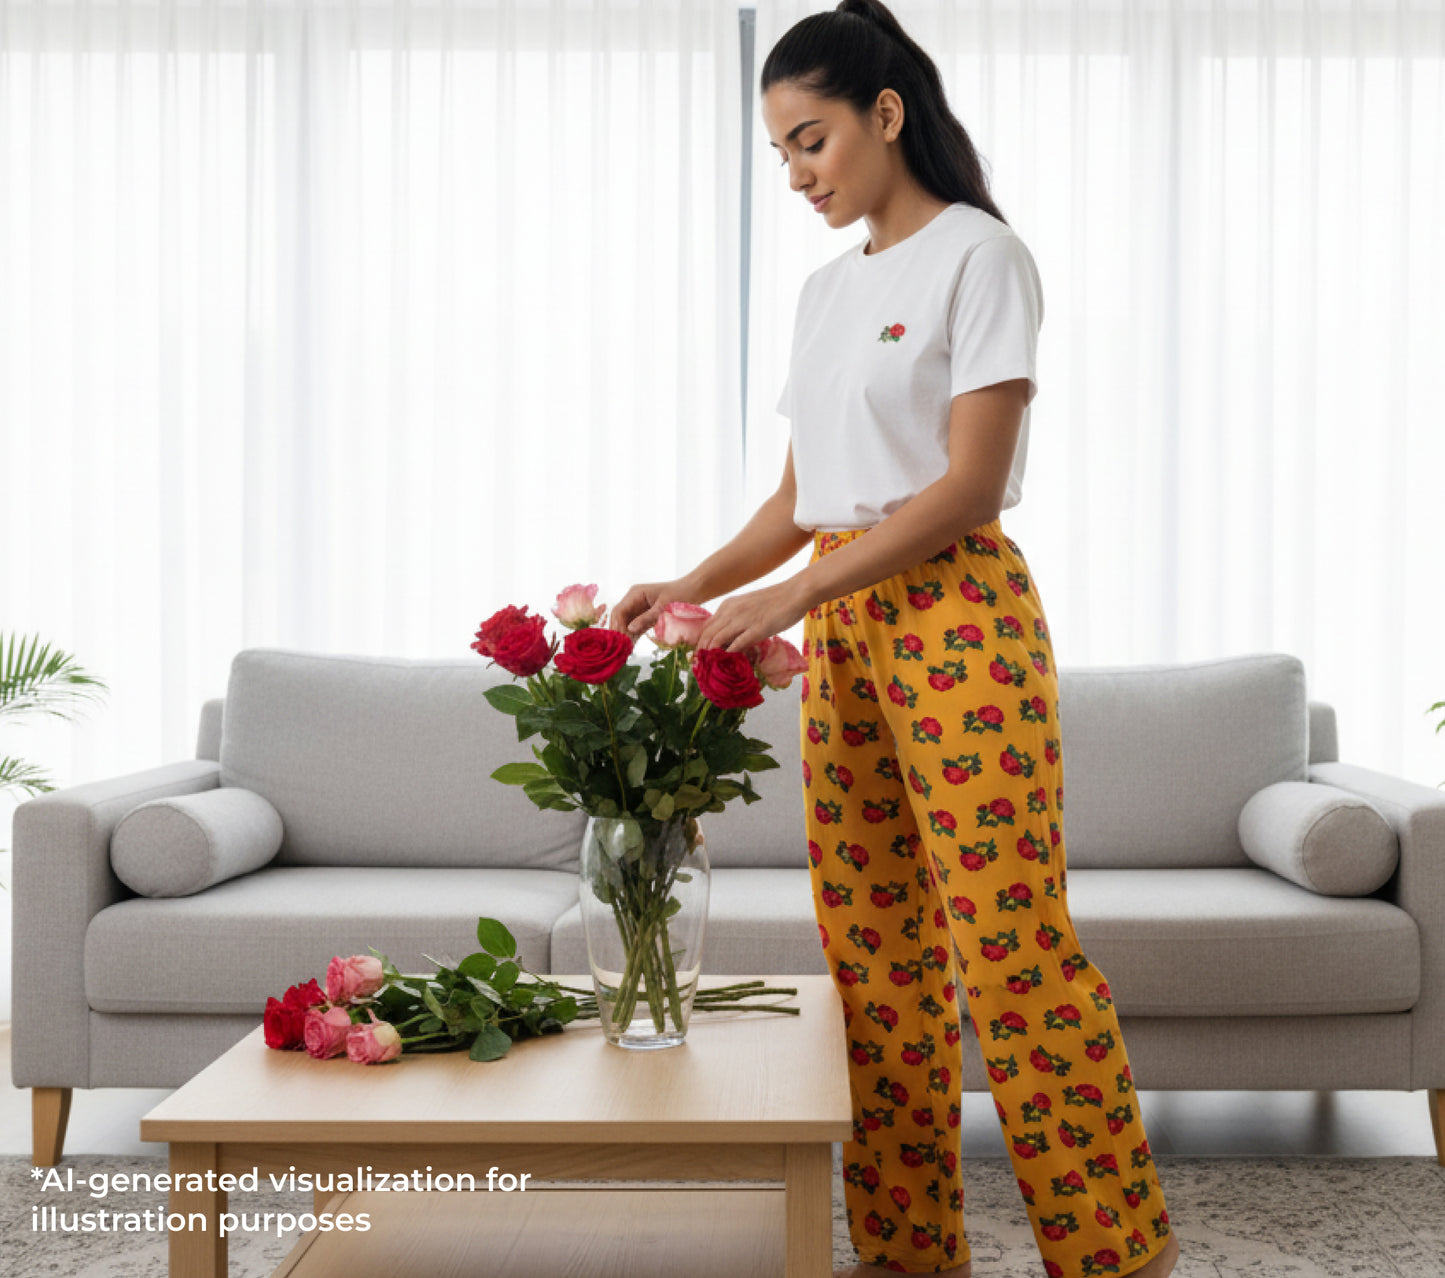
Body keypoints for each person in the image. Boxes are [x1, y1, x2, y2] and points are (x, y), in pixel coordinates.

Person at [612, 3, 1181, 1277]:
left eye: (810, 140)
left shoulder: (982, 257)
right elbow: (800, 498)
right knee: (870, 948)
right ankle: (906, 1245)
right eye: (780, 155)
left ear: (884, 113)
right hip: (840, 609)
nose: (798, 174)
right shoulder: (827, 292)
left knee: (1007, 941)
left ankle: (1111, 1249)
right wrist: (694, 581)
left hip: (952, 609)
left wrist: (793, 601)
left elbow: (966, 489)